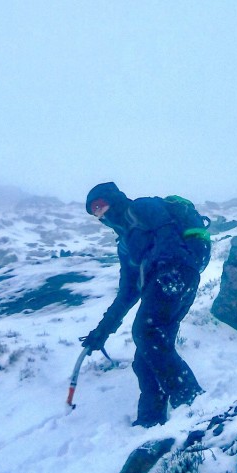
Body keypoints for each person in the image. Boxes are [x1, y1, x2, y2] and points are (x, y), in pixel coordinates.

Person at [80, 181, 210, 428]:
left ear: (113, 198)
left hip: (175, 272)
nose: (99, 214)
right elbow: (127, 292)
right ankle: (151, 420)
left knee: (146, 332)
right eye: (94, 211)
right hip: (171, 280)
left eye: (100, 205)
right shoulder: (125, 244)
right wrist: (102, 332)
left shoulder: (141, 207)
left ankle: (194, 403)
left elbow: (167, 231)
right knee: (146, 357)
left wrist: (166, 266)